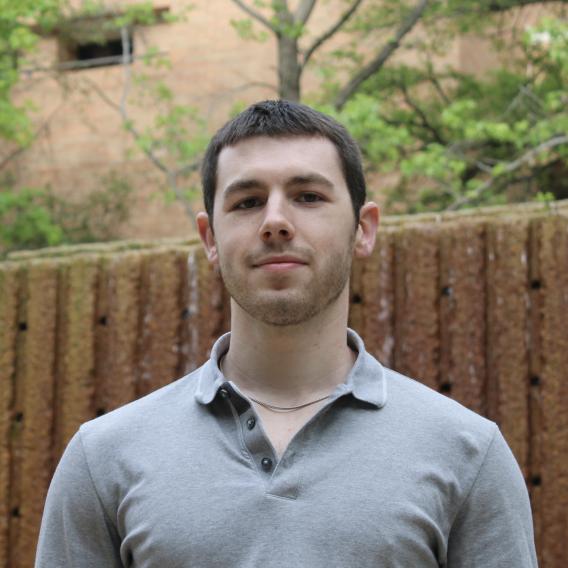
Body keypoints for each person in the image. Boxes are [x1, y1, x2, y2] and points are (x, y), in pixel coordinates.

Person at [35, 100, 537, 567]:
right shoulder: (103, 458)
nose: (276, 221)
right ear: (210, 238)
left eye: (308, 196)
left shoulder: (468, 453)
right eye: (248, 201)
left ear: (364, 229)